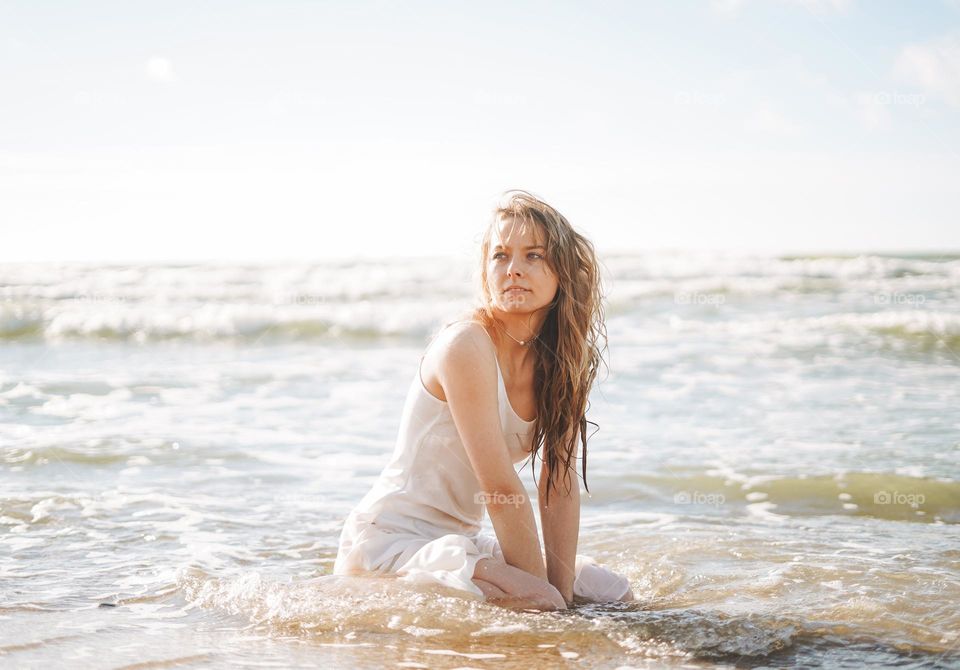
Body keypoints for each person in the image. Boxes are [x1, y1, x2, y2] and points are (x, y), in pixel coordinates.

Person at [333, 190, 634, 610]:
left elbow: (559, 482)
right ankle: (364, 588)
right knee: (541, 601)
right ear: (485, 269)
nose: (513, 270)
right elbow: (500, 488)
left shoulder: (563, 361)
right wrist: (548, 600)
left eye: (533, 255)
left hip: (463, 540)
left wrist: (561, 594)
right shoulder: (466, 346)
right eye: (500, 256)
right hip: (393, 538)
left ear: (563, 271)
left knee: (609, 592)